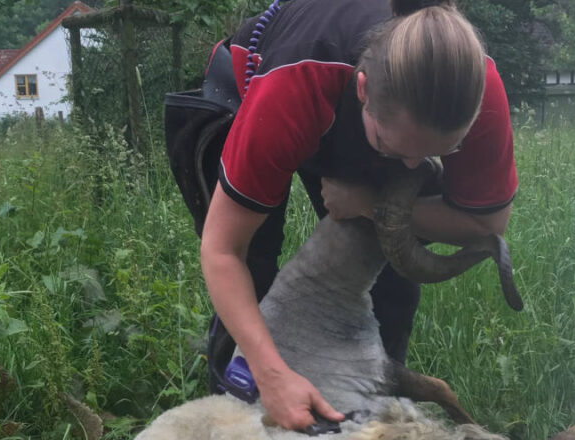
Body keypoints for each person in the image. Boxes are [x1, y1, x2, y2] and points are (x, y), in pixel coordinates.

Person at [199, 0, 517, 431]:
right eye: (397, 150)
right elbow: (222, 250)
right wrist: (272, 376)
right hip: (253, 91)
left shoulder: (475, 89)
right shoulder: (296, 86)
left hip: (358, 115)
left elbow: (486, 225)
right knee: (252, 275)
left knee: (391, 282)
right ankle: (233, 405)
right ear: (363, 91)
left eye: (437, 153)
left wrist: (372, 204)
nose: (412, 168)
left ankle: (370, 416)